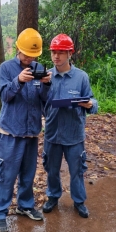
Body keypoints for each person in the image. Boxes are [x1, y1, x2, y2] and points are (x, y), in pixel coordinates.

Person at [0, 28, 52, 232]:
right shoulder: (6, 68)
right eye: (26, 53)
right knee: (5, 175)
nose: (29, 58)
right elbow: (5, 96)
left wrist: (46, 83)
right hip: (10, 132)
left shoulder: (38, 67)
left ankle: (25, 206)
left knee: (28, 174)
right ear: (18, 48)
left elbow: (44, 99)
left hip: (31, 132)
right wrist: (19, 80)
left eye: (33, 55)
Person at [42, 33, 98, 218]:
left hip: (74, 134)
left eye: (61, 52)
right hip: (53, 132)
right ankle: (52, 197)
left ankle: (79, 201)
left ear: (69, 54)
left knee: (77, 170)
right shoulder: (47, 76)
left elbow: (92, 101)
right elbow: (41, 103)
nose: (56, 56)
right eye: (53, 52)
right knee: (51, 169)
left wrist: (90, 104)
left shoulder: (81, 77)